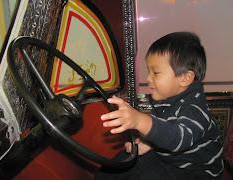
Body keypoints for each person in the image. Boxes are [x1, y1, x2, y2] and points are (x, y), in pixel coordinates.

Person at [94, 32, 224, 179]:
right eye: (149, 72)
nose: (149, 78)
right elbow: (162, 127)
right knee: (119, 164)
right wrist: (149, 143)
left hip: (196, 170)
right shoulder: (164, 98)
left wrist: (139, 121)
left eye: (156, 73)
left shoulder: (195, 108)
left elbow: (178, 138)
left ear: (185, 78)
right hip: (168, 156)